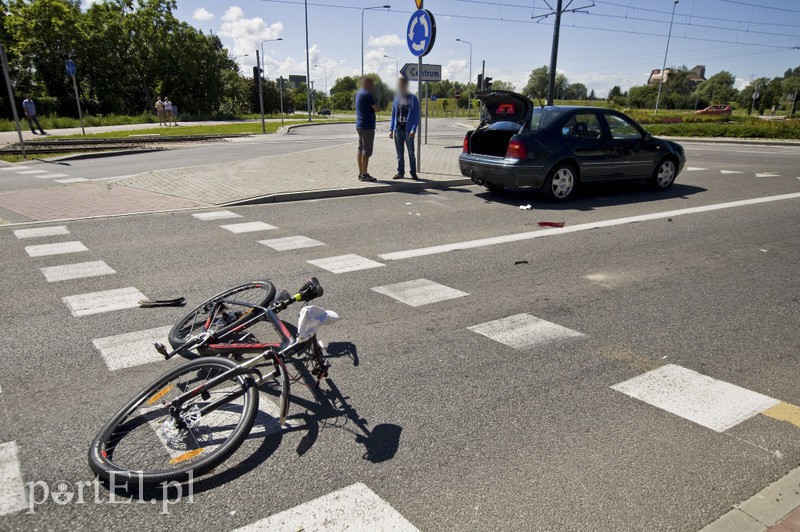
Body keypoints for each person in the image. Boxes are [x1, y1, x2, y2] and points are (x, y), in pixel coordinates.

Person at [389, 77, 420, 180]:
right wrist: (391, 129)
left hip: (408, 131)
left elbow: (416, 116)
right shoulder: (396, 98)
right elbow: (393, 115)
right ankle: (400, 172)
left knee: (411, 153)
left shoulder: (413, 98)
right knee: (399, 154)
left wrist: (413, 129)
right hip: (398, 130)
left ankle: (413, 172)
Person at [355, 77, 381, 182]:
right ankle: (365, 175)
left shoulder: (359, 93)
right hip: (367, 126)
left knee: (360, 149)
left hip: (360, 124)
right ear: (367, 84)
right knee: (366, 150)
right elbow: (377, 109)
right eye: (371, 85)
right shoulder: (367, 94)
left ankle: (361, 173)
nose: (372, 87)